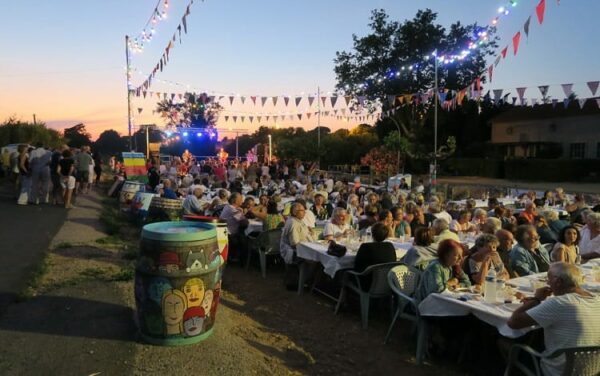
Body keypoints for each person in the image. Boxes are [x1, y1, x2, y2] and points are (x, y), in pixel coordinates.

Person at [507, 262, 600, 376]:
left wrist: (536, 299)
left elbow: (513, 322)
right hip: (593, 369)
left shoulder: (560, 303)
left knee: (507, 343)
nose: (547, 283)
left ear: (558, 281)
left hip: (561, 371)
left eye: (549, 279)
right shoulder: (597, 300)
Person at [353, 222, 397, 288]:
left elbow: (356, 265)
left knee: (346, 273)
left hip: (367, 284)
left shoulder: (366, 247)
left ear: (372, 234)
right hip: (388, 283)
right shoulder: (390, 246)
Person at [219, 192, 249, 262]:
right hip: (230, 235)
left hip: (223, 231)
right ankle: (241, 258)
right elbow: (245, 223)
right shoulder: (233, 210)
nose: (242, 201)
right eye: (241, 199)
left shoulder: (228, 206)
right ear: (235, 201)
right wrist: (243, 213)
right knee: (246, 236)